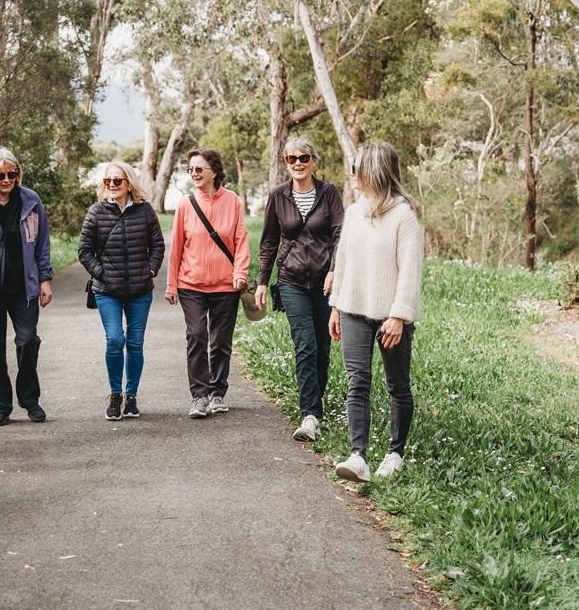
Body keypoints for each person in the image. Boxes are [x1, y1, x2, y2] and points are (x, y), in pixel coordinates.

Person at [327, 142, 423, 482]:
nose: (351, 175)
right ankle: (358, 457)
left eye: (356, 169)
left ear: (375, 172)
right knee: (357, 383)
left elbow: (410, 271)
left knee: (397, 385)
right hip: (353, 310)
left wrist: (398, 315)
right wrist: (336, 305)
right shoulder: (353, 213)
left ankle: (395, 453)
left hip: (389, 317)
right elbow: (343, 262)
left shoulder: (403, 217)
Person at [255, 138, 345, 442]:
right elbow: (268, 241)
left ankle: (315, 405)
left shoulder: (328, 192)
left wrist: (335, 269)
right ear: (286, 162)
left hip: (324, 283)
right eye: (291, 158)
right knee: (304, 345)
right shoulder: (278, 196)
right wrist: (262, 282)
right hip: (291, 281)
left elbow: (339, 235)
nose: (297, 163)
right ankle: (310, 414)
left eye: (303, 157)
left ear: (313, 160)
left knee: (322, 348)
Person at [165, 148, 251, 419]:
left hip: (226, 285)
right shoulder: (185, 205)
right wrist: (171, 285)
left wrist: (240, 273)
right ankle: (199, 395)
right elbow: (177, 246)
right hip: (191, 284)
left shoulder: (233, 201)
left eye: (199, 169)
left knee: (221, 340)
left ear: (214, 171)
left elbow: (240, 241)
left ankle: (217, 393)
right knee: (197, 335)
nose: (194, 174)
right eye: (190, 169)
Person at [78, 161, 165, 421]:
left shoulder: (145, 211)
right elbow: (84, 250)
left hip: (140, 289)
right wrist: (102, 273)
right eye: (108, 181)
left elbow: (158, 245)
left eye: (118, 180)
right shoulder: (96, 211)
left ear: (129, 183)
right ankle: (115, 394)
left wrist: (150, 270)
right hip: (107, 290)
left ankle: (131, 397)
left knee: (135, 343)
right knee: (115, 340)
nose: (113, 184)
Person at [0, 148, 53, 426]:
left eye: (12, 174)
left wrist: (45, 279)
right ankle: (0, 406)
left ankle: (30, 399)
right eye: (0, 175)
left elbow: (42, 243)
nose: (7, 179)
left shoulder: (30, 200)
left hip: (25, 287)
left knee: (28, 340)